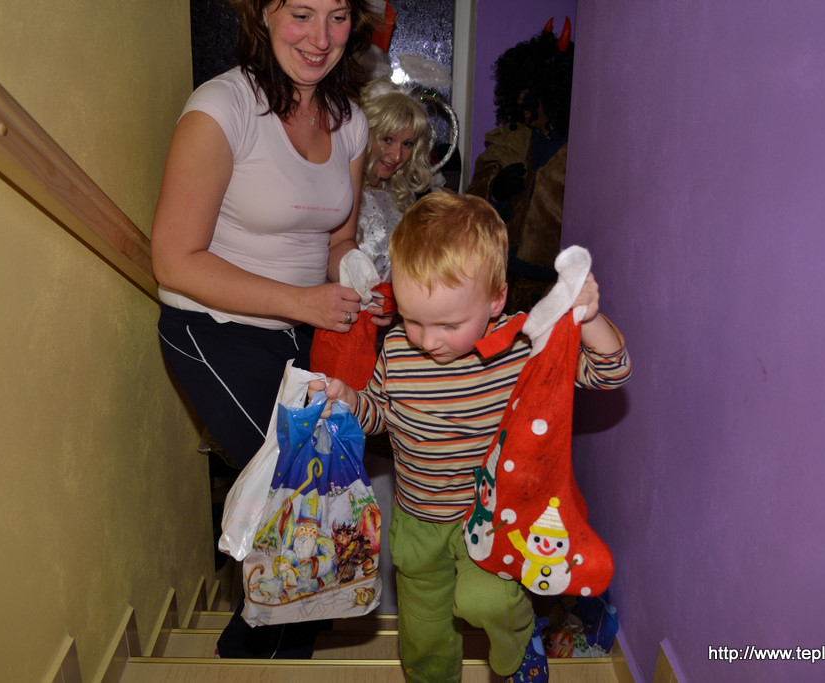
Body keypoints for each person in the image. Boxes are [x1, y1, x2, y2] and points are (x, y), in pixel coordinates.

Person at [309, 192, 631, 682]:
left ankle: (521, 641)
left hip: (490, 518)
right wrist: (350, 401)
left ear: (496, 300)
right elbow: (379, 415)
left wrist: (588, 320)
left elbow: (610, 373)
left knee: (486, 600)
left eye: (449, 324)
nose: (427, 339)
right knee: (424, 632)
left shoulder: (519, 346)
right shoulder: (396, 349)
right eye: (412, 319)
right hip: (417, 522)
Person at [150, 0, 383, 659]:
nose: (320, 38)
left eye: (337, 16)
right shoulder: (221, 109)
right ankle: (259, 658)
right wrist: (302, 301)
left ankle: (270, 653)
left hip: (303, 331)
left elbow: (337, 239)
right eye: (301, 14)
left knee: (318, 506)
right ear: (263, 13)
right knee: (302, 498)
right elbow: (174, 258)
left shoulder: (351, 121)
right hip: (214, 327)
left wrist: (357, 280)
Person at [466, 21, 575, 314]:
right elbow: (472, 208)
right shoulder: (512, 140)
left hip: (554, 288)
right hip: (501, 280)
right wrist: (495, 193)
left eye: (530, 96)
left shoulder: (581, 151)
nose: (521, 104)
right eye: (518, 93)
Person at [356, 79, 435, 281]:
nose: (397, 155)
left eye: (407, 144)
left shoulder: (403, 196)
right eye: (388, 139)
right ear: (365, 133)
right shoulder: (343, 191)